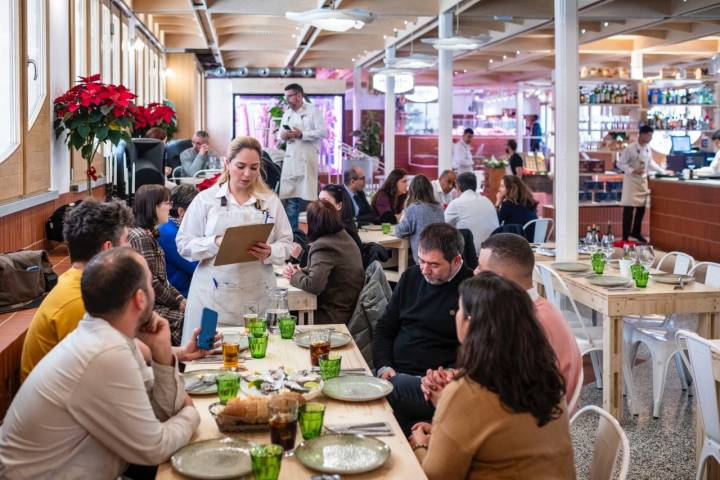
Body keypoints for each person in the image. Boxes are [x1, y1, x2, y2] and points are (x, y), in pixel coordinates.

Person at [0, 248, 201, 479]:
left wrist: (162, 352)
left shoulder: (110, 336)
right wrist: (191, 414)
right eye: (149, 283)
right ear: (140, 298)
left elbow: (162, 411)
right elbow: (154, 449)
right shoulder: (105, 351)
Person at [410, 273, 575, 479]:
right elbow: (504, 436)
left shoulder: (468, 392)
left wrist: (419, 444)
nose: (456, 315)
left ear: (470, 323)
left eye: (460, 309)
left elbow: (434, 476)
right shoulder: (545, 375)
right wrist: (441, 430)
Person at [177, 136, 293, 345]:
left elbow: (286, 243)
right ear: (227, 163)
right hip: (211, 297)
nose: (247, 174)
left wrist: (269, 252)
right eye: (240, 166)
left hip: (257, 293)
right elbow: (184, 244)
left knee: (258, 357)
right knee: (207, 356)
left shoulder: (270, 202)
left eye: (254, 167)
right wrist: (215, 242)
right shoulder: (206, 200)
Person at [372, 223, 473, 434]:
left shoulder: (471, 289)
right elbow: (384, 328)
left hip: (433, 383)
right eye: (421, 260)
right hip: (393, 373)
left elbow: (475, 352)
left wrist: (444, 377)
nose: (425, 270)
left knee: (380, 396)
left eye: (434, 265)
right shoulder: (411, 276)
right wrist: (383, 366)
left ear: (456, 261)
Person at [20, 200, 134, 381]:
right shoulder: (80, 303)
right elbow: (102, 378)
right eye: (127, 240)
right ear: (108, 248)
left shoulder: (77, 280)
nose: (130, 247)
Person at [283, 200, 364, 325]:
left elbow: (313, 286)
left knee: (281, 315)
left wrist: (294, 276)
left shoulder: (324, 245)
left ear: (313, 223)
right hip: (347, 309)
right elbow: (326, 271)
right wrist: (299, 271)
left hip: (331, 315)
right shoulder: (343, 237)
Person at [129, 185, 186, 346]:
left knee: (194, 314)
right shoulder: (141, 237)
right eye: (166, 203)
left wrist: (182, 300)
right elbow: (151, 283)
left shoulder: (149, 234)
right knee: (189, 322)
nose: (170, 207)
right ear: (153, 206)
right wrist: (179, 304)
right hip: (149, 307)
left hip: (158, 302)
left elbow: (164, 280)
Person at [278, 83, 328, 231]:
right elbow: (279, 135)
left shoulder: (313, 111)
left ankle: (314, 233)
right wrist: (284, 135)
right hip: (291, 160)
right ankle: (293, 236)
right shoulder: (287, 113)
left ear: (299, 96)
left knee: (310, 200)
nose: (287, 99)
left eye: (289, 96)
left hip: (307, 159)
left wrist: (302, 134)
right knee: (291, 200)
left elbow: (323, 132)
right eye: (285, 96)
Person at [618, 125, 672, 242]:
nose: (650, 137)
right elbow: (620, 164)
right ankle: (625, 236)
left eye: (651, 135)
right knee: (628, 209)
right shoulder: (630, 148)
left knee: (641, 209)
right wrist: (632, 170)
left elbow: (650, 163)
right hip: (631, 181)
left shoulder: (648, 148)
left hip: (642, 181)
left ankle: (636, 232)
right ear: (641, 134)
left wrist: (663, 171)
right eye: (648, 135)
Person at [158, 184, 199, 298]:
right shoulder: (169, 233)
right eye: (197, 211)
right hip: (181, 294)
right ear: (181, 212)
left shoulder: (174, 227)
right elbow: (194, 266)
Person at [394, 175, 445, 263]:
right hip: (440, 257)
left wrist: (404, 214)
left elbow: (399, 232)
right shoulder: (439, 208)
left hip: (422, 260)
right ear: (430, 190)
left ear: (412, 191)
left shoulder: (414, 208)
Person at [444, 172, 499, 254]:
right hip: (495, 250)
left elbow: (441, 226)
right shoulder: (487, 200)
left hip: (472, 255)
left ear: (458, 187)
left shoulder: (456, 203)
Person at [496, 175, 538, 239]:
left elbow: (495, 221)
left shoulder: (508, 204)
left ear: (510, 188)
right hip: (533, 238)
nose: (499, 189)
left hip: (517, 241)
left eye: (502, 186)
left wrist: (498, 202)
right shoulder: (529, 201)